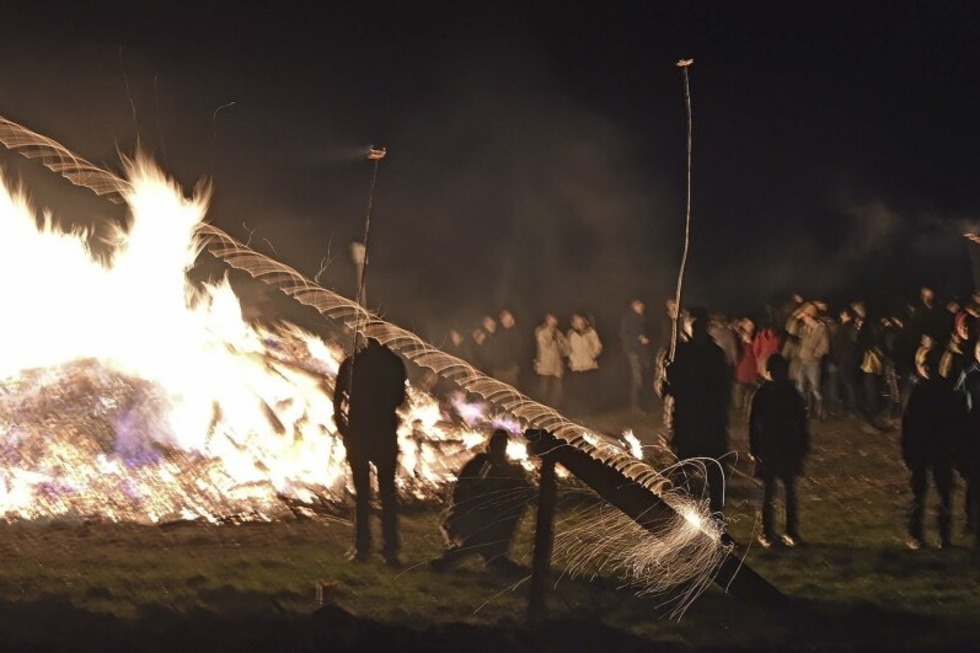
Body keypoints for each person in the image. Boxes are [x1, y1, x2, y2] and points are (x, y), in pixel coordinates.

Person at [333, 336, 408, 566]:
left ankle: (364, 548)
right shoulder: (392, 363)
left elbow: (338, 397)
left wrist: (342, 423)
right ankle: (388, 549)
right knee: (386, 494)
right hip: (379, 433)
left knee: (364, 495)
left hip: (363, 433)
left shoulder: (354, 363)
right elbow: (399, 399)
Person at [430, 429, 534, 572]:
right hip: (470, 517)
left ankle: (493, 557)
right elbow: (460, 494)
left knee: (488, 536)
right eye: (496, 445)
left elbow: (524, 494)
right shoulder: (477, 464)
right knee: (479, 538)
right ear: (489, 446)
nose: (499, 449)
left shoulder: (511, 470)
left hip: (497, 519)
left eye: (502, 445)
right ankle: (462, 557)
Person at [663, 306, 732, 515]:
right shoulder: (677, 353)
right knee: (683, 473)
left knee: (716, 474)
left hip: (711, 422)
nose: (697, 329)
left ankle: (717, 521)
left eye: (701, 325)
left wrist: (722, 419)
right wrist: (667, 375)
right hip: (686, 421)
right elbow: (666, 390)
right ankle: (679, 522)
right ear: (685, 326)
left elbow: (723, 389)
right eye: (693, 325)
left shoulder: (716, 354)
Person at [901, 349, 964, 550]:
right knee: (919, 494)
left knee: (943, 494)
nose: (928, 367)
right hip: (923, 449)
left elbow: (954, 421)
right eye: (924, 363)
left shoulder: (943, 389)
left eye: (930, 363)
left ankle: (943, 537)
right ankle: (917, 535)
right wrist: (909, 452)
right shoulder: (915, 391)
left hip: (939, 448)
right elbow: (907, 426)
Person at [748, 354, 810, 548]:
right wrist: (755, 448)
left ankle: (791, 531)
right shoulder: (762, 394)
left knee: (789, 492)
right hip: (769, 448)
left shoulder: (791, 394)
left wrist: (803, 446)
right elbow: (753, 423)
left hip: (787, 447)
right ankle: (767, 531)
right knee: (768, 492)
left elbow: (801, 421)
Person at [565, 312, 603, 415]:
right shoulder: (570, 333)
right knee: (578, 390)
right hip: (576, 366)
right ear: (573, 323)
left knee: (590, 389)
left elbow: (598, 346)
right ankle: (579, 411)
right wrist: (572, 357)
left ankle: (591, 411)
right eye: (577, 322)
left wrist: (592, 355)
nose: (579, 324)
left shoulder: (591, 332)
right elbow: (567, 348)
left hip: (590, 365)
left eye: (581, 321)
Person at [619, 298, 651, 413]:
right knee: (637, 379)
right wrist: (638, 340)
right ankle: (635, 406)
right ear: (633, 305)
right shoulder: (629, 318)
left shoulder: (643, 318)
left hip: (643, 352)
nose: (641, 306)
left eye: (642, 303)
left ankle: (642, 403)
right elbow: (625, 335)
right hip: (634, 353)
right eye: (638, 304)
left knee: (644, 377)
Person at [533, 313, 569, 407]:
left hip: (557, 366)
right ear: (547, 320)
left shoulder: (558, 332)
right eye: (551, 320)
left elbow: (564, 345)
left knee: (557, 390)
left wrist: (564, 349)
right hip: (545, 366)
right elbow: (546, 344)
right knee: (544, 389)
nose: (553, 322)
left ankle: (555, 408)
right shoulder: (541, 332)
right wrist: (551, 333)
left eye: (555, 320)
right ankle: (542, 408)